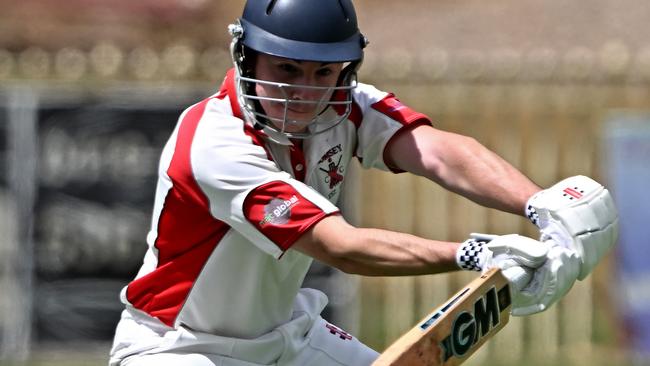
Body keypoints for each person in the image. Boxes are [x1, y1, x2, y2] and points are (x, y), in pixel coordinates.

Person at [109, 1, 619, 365]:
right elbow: (340, 247)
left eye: (324, 72)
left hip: (288, 338)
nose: (304, 92)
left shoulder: (344, 105)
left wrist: (539, 204)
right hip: (178, 348)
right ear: (245, 56)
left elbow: (437, 152)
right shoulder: (215, 144)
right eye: (286, 69)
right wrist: (471, 254)